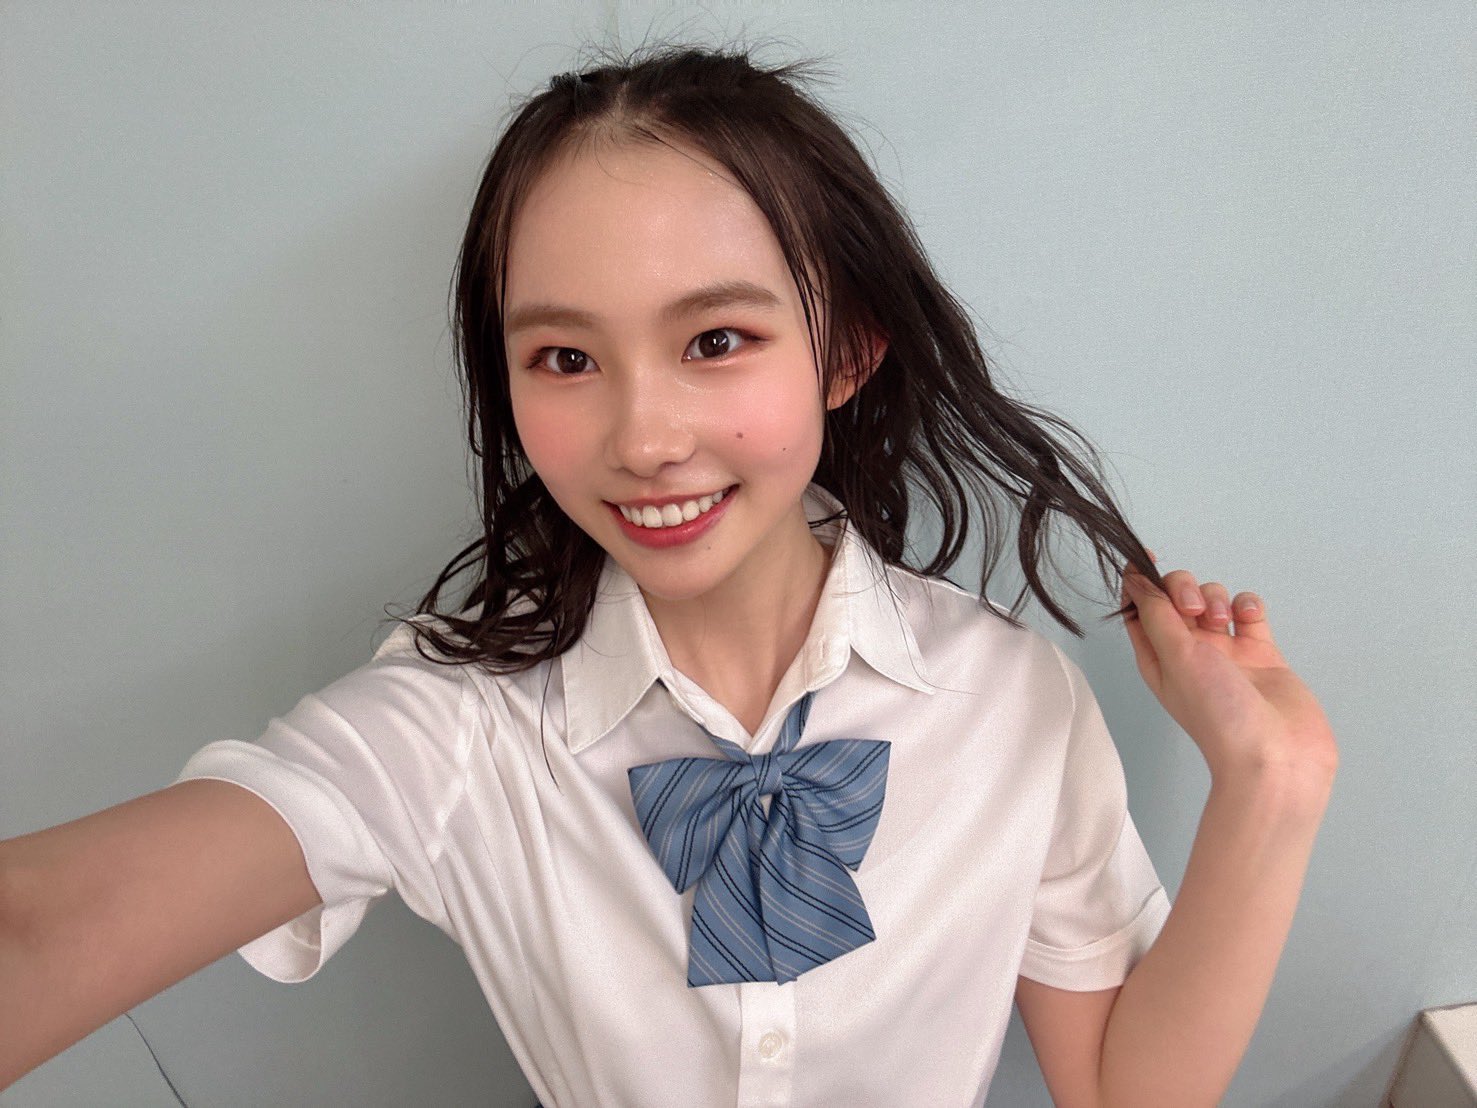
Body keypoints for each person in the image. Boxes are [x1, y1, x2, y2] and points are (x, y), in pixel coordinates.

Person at [0, 39, 1338, 1105]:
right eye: (565, 359)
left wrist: (1271, 785)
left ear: (844, 351)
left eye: (715, 341)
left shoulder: (1010, 702)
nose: (642, 440)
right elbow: (41, 927)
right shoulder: (455, 725)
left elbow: (1122, 1090)